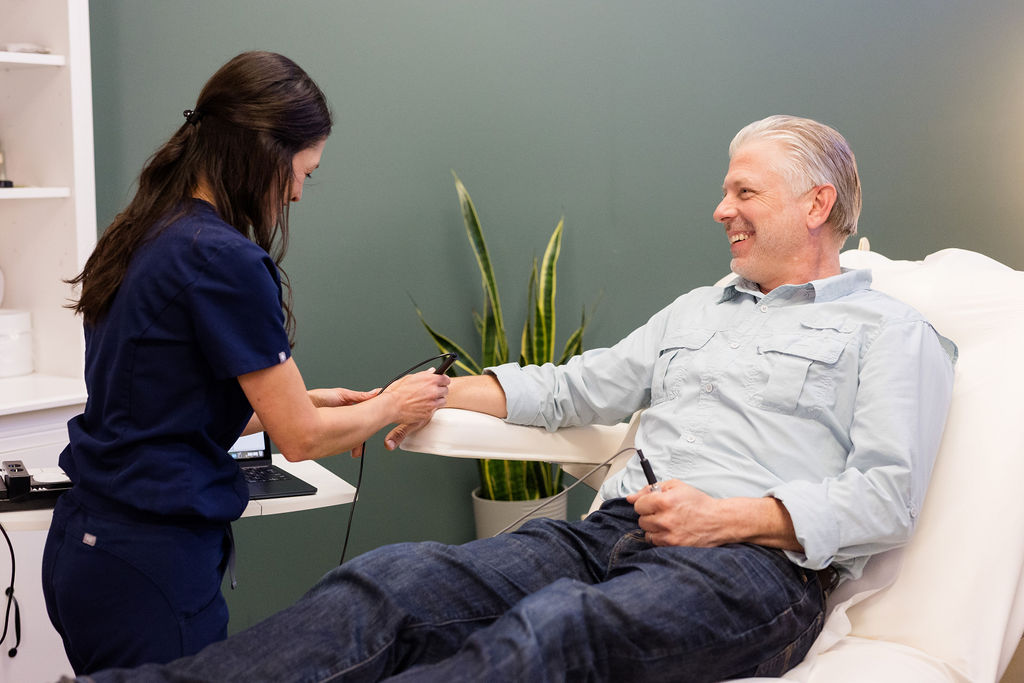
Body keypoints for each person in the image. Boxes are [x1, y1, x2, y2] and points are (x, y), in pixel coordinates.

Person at [78, 115, 955, 682]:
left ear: (816, 202)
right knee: (392, 579)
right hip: (615, 532)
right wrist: (429, 392)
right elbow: (576, 385)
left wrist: (730, 517)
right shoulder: (699, 310)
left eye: (743, 190)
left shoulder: (890, 331)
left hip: (747, 567)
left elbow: (886, 494)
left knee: (553, 633)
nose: (720, 208)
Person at [42, 51, 450, 675]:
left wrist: (308, 401)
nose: (298, 192)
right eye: (303, 171)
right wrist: (394, 403)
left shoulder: (148, 228)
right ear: (264, 152)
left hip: (88, 547)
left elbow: (166, 405)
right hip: (149, 565)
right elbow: (301, 439)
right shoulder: (222, 258)